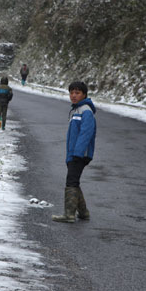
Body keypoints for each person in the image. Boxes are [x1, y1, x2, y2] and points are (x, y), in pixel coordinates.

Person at [52, 81, 97, 223]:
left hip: (79, 154)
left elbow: (86, 134)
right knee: (74, 181)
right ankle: (83, 212)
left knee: (71, 181)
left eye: (77, 93)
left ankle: (69, 214)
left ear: (84, 94)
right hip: (74, 153)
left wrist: (77, 154)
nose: (73, 95)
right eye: (71, 92)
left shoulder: (86, 111)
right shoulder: (76, 110)